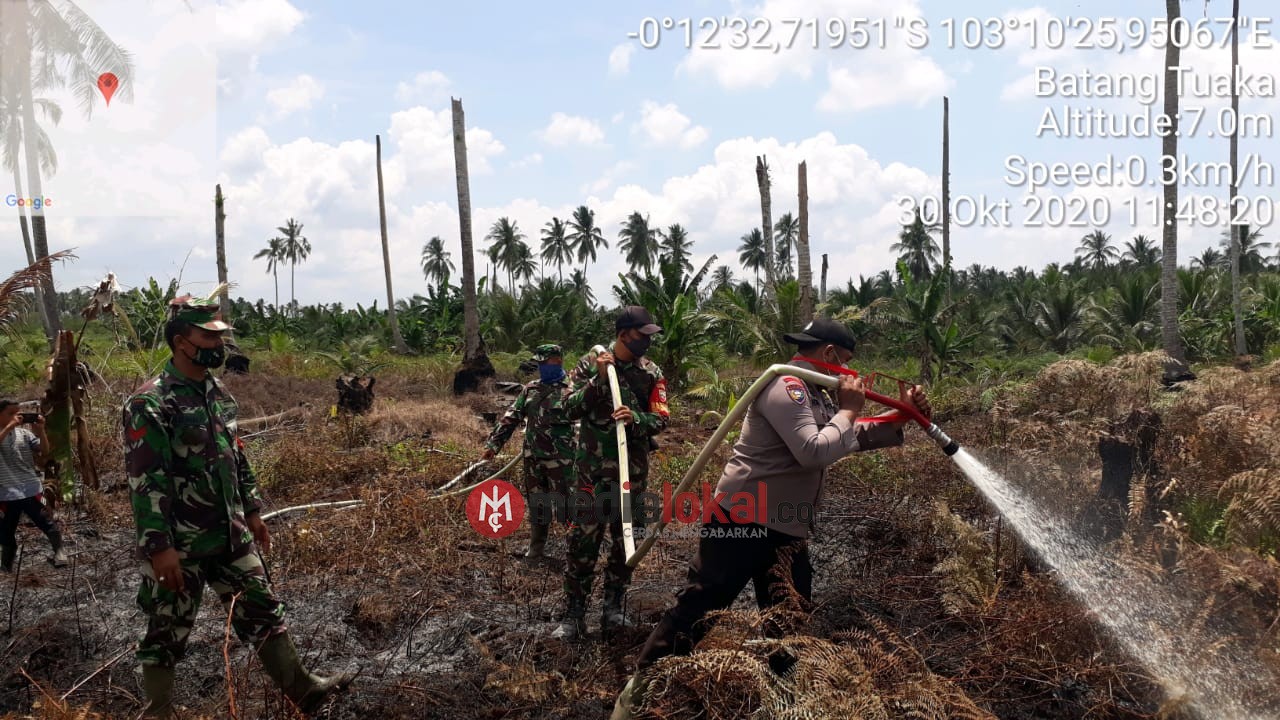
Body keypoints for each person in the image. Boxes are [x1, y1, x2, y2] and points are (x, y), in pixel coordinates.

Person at [611, 318, 931, 717]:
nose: (852, 371)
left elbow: (846, 434)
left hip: (787, 525)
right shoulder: (787, 386)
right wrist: (849, 410)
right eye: (847, 360)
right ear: (830, 353)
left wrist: (898, 418)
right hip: (742, 520)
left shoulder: (820, 392)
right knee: (701, 607)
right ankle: (635, 696)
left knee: (791, 615)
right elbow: (814, 449)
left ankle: (787, 699)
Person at [124, 294, 354, 718]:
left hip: (230, 535)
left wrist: (252, 510)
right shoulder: (151, 403)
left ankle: (304, 690)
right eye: (208, 337)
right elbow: (145, 480)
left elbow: (236, 455)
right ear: (180, 342)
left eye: (221, 337)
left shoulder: (216, 392)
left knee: (264, 610)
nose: (219, 345)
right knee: (166, 631)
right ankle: (157, 712)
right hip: (182, 544)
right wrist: (159, 546)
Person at [553, 306, 669, 640]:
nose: (647, 341)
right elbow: (567, 408)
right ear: (623, 335)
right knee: (582, 544)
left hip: (631, 473)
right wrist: (599, 381)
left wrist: (638, 419)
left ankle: (613, 609)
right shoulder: (590, 365)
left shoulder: (651, 372)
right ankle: (573, 615)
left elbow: (662, 416)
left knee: (625, 543)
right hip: (591, 474)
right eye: (642, 335)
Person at [481, 343, 575, 559]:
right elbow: (511, 417)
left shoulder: (572, 390)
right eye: (539, 362)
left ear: (558, 361)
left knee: (567, 505)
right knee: (537, 503)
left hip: (562, 461)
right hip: (533, 458)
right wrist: (493, 445)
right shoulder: (531, 389)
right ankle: (536, 549)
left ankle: (575, 550)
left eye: (546, 362)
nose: (542, 366)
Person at [0, 400, 67, 570]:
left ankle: (60, 552)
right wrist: (8, 427)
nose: (17, 417)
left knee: (47, 521)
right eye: (11, 413)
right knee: (5, 531)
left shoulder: (24, 434)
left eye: (19, 413)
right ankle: (7, 564)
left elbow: (44, 451)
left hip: (31, 489)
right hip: (6, 494)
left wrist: (41, 431)